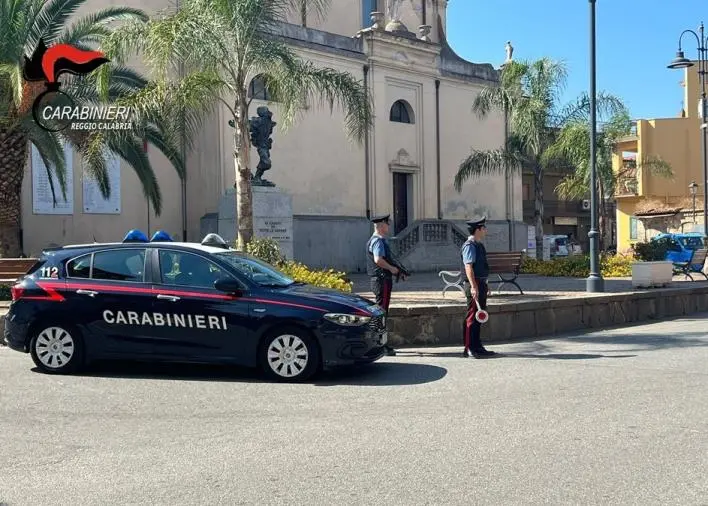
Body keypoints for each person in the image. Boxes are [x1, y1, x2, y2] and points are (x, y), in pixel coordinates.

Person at [366, 214, 403, 356]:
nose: (388, 226)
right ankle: (381, 345)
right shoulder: (378, 241)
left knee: (381, 312)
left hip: (378, 280)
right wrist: (392, 269)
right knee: (382, 313)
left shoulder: (374, 240)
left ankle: (381, 343)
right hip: (382, 280)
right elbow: (378, 260)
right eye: (387, 224)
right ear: (381, 225)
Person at [461, 217, 496, 358]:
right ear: (478, 229)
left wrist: (486, 284)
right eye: (483, 228)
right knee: (471, 316)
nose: (485, 230)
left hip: (481, 283)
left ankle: (477, 345)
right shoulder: (469, 245)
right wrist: (474, 287)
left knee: (479, 316)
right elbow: (468, 267)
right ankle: (469, 347)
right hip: (473, 283)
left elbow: (482, 268)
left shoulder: (479, 245)